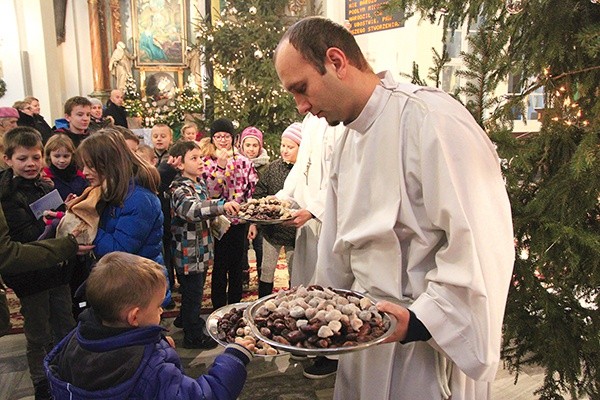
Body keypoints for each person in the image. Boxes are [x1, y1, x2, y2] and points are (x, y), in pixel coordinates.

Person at [274, 17, 515, 400]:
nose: (302, 106)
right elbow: (337, 244)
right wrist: (316, 311)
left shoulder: (430, 118)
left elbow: (484, 239)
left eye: (301, 89)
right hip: (365, 333)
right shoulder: (345, 138)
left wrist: (421, 321)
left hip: (424, 342)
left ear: (336, 61)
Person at [44, 251, 253, 400]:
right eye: (158, 306)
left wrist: (154, 340)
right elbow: (204, 395)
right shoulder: (151, 370)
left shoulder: (77, 340)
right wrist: (235, 357)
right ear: (134, 317)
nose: (162, 311)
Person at [0, 127, 78, 399]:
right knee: (38, 332)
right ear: (7, 159)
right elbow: (23, 237)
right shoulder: (5, 196)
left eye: (35, 157)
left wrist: (65, 212)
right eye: (22, 159)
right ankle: (41, 382)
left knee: (65, 322)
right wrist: (50, 223)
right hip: (31, 274)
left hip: (56, 269)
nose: (31, 164)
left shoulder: (46, 185)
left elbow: (54, 218)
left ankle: (67, 370)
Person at [76, 128, 171, 307]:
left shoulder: (138, 199)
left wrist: (89, 226)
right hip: (124, 286)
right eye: (83, 166)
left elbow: (119, 251)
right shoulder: (111, 192)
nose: (84, 172)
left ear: (109, 164)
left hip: (140, 292)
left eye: (90, 165)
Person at [169, 141, 240, 349]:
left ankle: (185, 319)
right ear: (180, 164)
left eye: (201, 157)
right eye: (194, 158)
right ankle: (193, 335)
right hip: (189, 251)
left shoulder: (197, 183)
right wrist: (220, 206)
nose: (200, 162)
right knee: (193, 292)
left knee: (194, 289)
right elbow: (191, 210)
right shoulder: (179, 188)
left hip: (201, 249)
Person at [201, 118, 258, 308]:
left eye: (226, 136)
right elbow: (211, 192)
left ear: (233, 138)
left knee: (236, 266)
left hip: (239, 221)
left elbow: (252, 190)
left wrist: (251, 219)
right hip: (218, 221)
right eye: (218, 136)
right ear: (213, 138)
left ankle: (235, 305)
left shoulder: (243, 161)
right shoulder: (207, 161)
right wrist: (221, 167)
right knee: (219, 266)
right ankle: (218, 306)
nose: (223, 140)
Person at [251, 122, 302, 297]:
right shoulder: (272, 168)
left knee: (295, 270)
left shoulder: (305, 171)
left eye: (290, 147)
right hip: (271, 231)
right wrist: (263, 210)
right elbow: (259, 194)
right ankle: (263, 300)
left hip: (294, 231)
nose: (285, 150)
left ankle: (293, 300)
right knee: (266, 268)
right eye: (283, 145)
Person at [238, 126, 269, 287]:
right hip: (241, 214)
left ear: (260, 146)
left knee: (260, 247)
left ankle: (262, 277)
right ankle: (243, 277)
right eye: (247, 145)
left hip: (261, 215)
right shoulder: (237, 164)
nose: (251, 149)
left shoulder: (266, 167)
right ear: (242, 146)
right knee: (242, 249)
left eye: (254, 145)